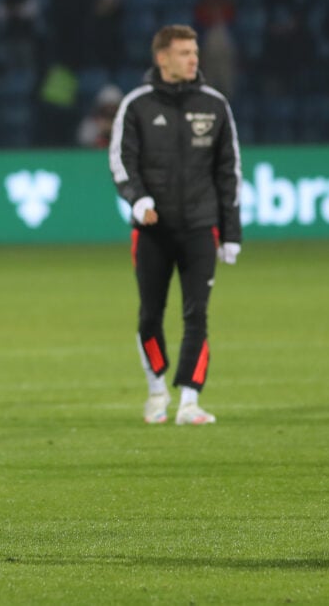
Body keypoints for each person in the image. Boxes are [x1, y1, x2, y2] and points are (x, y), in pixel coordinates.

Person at [108, 24, 243, 426]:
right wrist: (139, 199)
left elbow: (229, 171)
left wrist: (232, 232)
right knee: (150, 315)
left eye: (194, 52)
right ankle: (156, 390)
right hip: (153, 231)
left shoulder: (215, 105)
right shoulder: (136, 105)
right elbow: (121, 161)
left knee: (197, 315)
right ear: (162, 57)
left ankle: (189, 400)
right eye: (185, 52)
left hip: (201, 226)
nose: (193, 59)